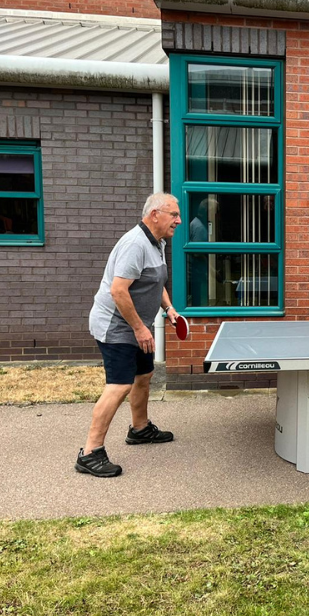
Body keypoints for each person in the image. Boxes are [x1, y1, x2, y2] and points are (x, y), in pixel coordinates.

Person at [76, 192, 182, 477]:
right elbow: (118, 291)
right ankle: (90, 453)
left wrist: (169, 308)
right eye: (174, 215)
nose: (179, 220)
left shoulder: (157, 242)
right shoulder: (135, 244)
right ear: (155, 215)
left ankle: (140, 429)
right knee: (119, 385)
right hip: (117, 326)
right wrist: (139, 328)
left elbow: (155, 281)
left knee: (144, 376)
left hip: (138, 326)